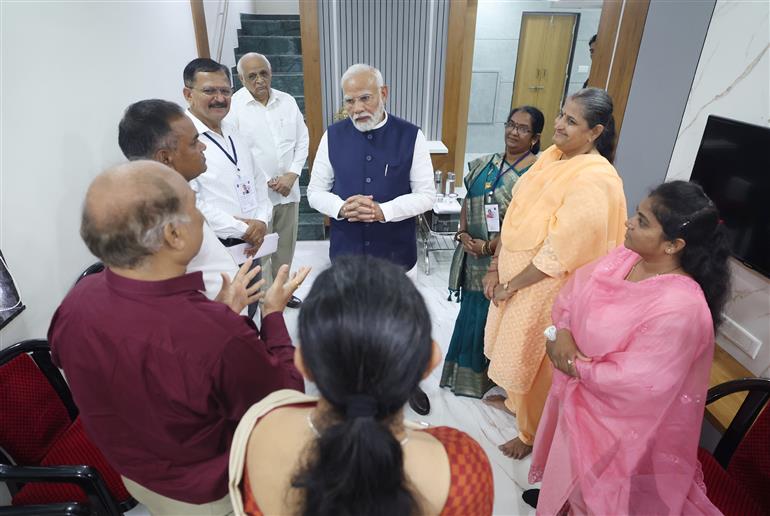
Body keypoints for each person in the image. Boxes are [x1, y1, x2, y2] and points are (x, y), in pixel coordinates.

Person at [49, 161, 309, 515]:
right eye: (194, 204)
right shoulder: (214, 335)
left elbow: (140, 378)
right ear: (173, 235)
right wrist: (273, 314)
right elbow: (284, 403)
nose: (201, 216)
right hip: (213, 493)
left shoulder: (76, 302)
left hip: (137, 478)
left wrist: (221, 320)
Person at [227, 256, 494, 516]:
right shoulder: (461, 463)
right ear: (429, 361)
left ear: (304, 362)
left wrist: (269, 315)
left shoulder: (260, 430)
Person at [529, 181, 730, 515]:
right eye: (637, 214)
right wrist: (562, 332)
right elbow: (574, 292)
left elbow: (638, 383)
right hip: (577, 401)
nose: (629, 223)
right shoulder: (626, 258)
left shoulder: (681, 308)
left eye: (642, 221)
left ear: (673, 245)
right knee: (565, 483)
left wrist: (575, 366)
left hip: (617, 429)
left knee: (593, 498)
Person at [483, 88, 627, 459]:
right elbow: (516, 212)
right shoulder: (553, 156)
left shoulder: (596, 178)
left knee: (537, 362)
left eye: (571, 121)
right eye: (561, 115)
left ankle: (531, 435)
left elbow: (559, 253)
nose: (559, 125)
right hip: (518, 284)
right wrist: (498, 267)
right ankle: (519, 412)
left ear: (595, 132)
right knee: (517, 355)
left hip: (546, 289)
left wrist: (511, 286)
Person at [306, 63, 435, 415]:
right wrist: (341, 207)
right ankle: (353, 385)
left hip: (395, 251)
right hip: (347, 251)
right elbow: (315, 191)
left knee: (399, 324)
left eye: (365, 98)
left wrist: (384, 211)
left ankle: (407, 382)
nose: (358, 108)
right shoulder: (332, 136)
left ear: (384, 93)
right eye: (350, 101)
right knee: (351, 324)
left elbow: (427, 196)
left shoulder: (411, 136)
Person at [440, 106, 544, 399]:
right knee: (469, 313)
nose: (513, 131)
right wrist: (462, 235)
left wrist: (488, 247)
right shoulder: (485, 163)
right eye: (511, 124)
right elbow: (467, 202)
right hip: (471, 255)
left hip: (506, 261)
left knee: (493, 319)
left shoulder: (537, 173)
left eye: (523, 128)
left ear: (535, 138)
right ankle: (460, 375)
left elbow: (526, 226)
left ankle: (489, 379)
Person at [118, 98, 239, 301]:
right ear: (165, 158)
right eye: (194, 142)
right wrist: (221, 311)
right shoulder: (155, 219)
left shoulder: (177, 197)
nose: (203, 147)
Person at [183, 58, 272, 317]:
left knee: (250, 307)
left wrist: (261, 220)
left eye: (225, 91)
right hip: (215, 249)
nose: (220, 98)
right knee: (223, 319)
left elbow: (258, 181)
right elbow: (191, 202)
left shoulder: (234, 132)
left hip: (251, 244)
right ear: (188, 94)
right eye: (210, 91)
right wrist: (245, 229)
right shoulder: (183, 140)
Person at [228, 53, 309, 309]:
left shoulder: (286, 101)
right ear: (240, 79)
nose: (259, 80)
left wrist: (292, 174)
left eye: (264, 73)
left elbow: (302, 140)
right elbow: (237, 152)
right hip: (255, 198)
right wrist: (267, 181)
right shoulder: (233, 108)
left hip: (288, 191)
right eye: (251, 76)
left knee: (286, 245)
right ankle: (264, 299)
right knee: (260, 251)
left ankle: (282, 291)